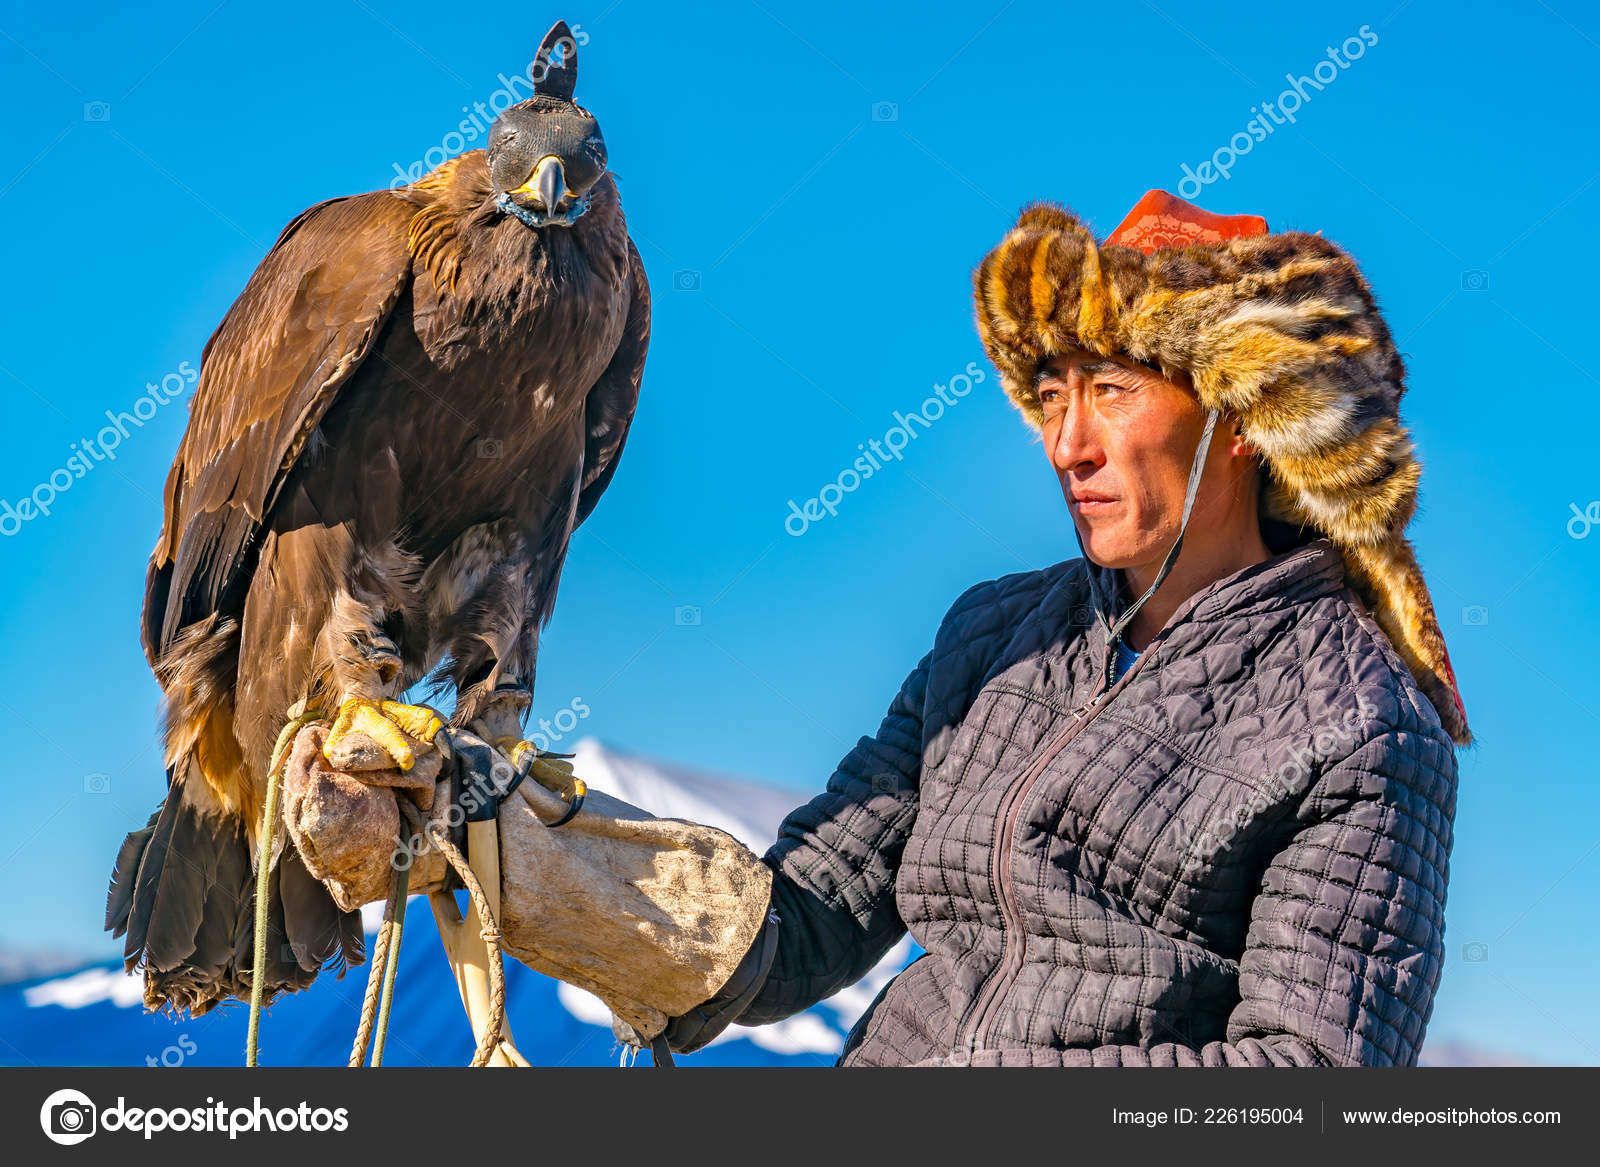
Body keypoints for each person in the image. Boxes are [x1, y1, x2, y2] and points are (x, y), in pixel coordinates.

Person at [615, 190, 1469, 1066]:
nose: (1067, 443)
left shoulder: (1363, 721)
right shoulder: (992, 634)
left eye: (1111, 388)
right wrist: (584, 883)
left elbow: (1306, 1079)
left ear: (1248, 414)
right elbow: (804, 923)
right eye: (1055, 394)